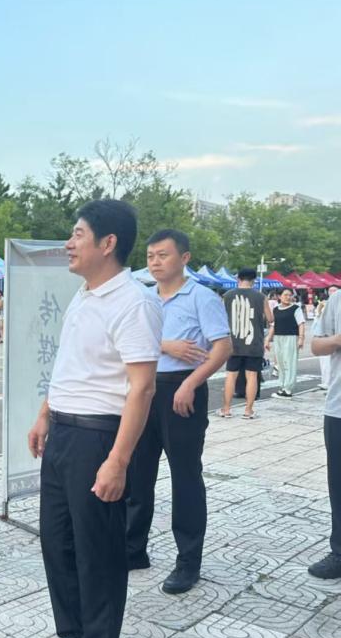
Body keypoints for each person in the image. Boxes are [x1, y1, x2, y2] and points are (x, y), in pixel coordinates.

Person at [25, 199, 161, 638]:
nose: (69, 243)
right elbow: (68, 364)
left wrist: (118, 461)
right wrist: (45, 414)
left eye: (77, 234)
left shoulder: (134, 302)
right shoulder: (84, 295)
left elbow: (142, 388)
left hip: (100, 437)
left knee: (97, 553)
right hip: (64, 431)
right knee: (58, 542)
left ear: (108, 243)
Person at [125, 229, 230, 595]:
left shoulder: (201, 297)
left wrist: (191, 383)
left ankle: (188, 560)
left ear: (184, 258)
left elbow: (222, 347)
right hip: (145, 389)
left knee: (185, 477)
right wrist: (166, 344)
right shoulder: (144, 297)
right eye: (150, 256)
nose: (155, 262)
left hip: (182, 390)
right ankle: (133, 549)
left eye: (163, 255)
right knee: (137, 473)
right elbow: (130, 342)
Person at [310, 285, 341, 580]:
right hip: (338, 408)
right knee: (338, 483)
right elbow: (316, 346)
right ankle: (339, 551)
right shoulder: (337, 300)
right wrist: (337, 340)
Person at [220, 269, 272, 419]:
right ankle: (248, 410)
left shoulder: (227, 295)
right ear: (254, 280)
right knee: (252, 375)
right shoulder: (261, 297)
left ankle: (226, 409)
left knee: (231, 376)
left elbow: (220, 317)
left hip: (233, 343)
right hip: (254, 343)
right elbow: (270, 318)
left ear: (238, 278)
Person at [267, 288, 305, 398]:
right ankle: (282, 386)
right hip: (278, 338)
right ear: (279, 296)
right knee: (280, 363)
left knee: (289, 362)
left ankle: (288, 389)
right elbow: (273, 326)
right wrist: (268, 339)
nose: (288, 297)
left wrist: (301, 338)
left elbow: (301, 324)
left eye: (290, 295)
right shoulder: (276, 309)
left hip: (291, 338)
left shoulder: (295, 309)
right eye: (285, 295)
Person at [318, 287, 339, 390]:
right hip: (327, 337)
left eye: (334, 290)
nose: (332, 292)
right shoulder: (326, 302)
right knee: (325, 361)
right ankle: (326, 381)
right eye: (330, 290)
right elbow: (319, 318)